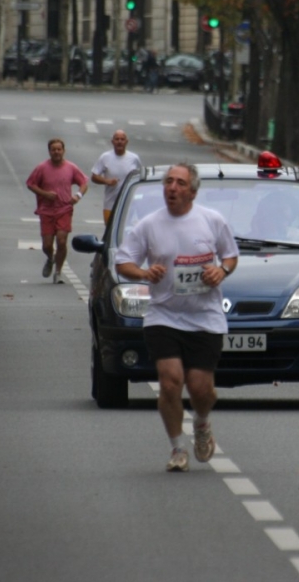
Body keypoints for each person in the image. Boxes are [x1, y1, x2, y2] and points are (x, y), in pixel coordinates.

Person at [115, 163, 239, 472]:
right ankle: (177, 449)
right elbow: (123, 262)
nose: (172, 187)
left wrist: (221, 271)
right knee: (170, 383)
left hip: (205, 316)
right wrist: (144, 273)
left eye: (180, 183)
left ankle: (201, 422)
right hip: (164, 315)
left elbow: (231, 255)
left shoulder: (212, 220)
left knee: (201, 389)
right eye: (168, 181)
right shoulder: (149, 225)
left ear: (193, 192)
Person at [26, 138, 88, 284]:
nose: (56, 152)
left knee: (61, 240)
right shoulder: (42, 168)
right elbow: (30, 184)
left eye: (59, 149)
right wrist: (45, 194)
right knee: (47, 245)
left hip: (64, 209)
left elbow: (84, 182)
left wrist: (77, 196)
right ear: (49, 151)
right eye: (53, 149)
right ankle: (50, 258)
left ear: (63, 151)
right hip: (46, 210)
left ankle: (58, 272)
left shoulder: (71, 167)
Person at [91, 129, 143, 225]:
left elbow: (140, 177)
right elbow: (94, 176)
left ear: (126, 142)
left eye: (122, 139)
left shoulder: (134, 158)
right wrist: (107, 181)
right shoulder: (105, 157)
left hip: (128, 203)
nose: (119, 142)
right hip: (110, 204)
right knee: (110, 230)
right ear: (112, 141)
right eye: (117, 139)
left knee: (125, 229)